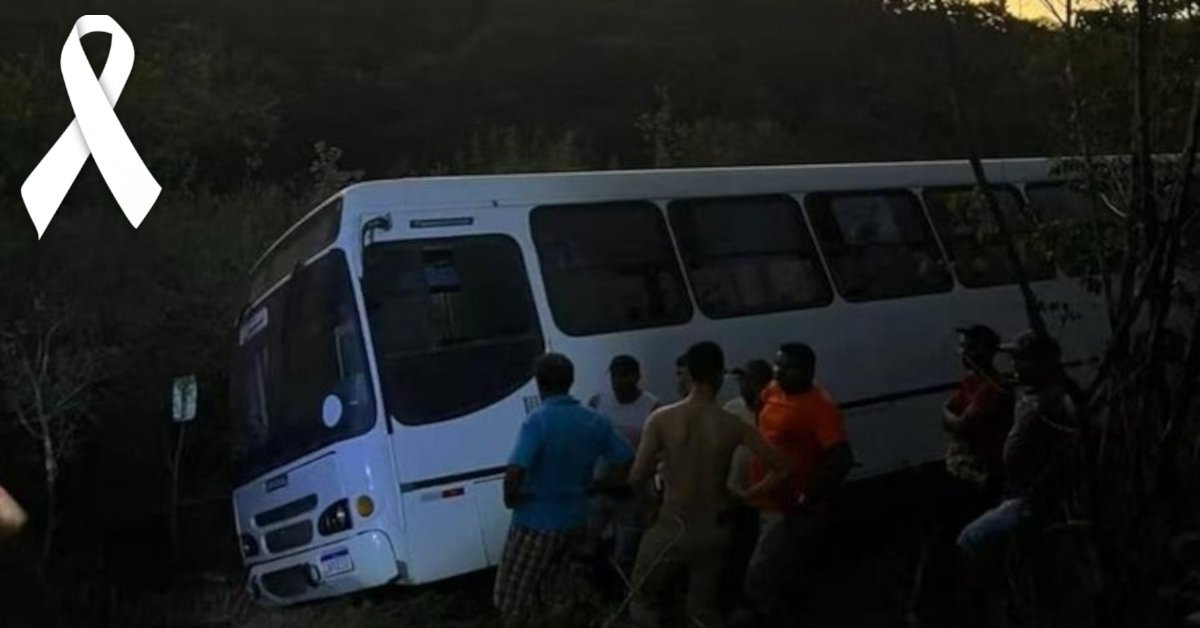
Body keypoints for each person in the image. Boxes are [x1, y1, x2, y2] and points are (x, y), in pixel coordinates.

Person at [627, 342, 789, 628]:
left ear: (688, 374)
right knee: (702, 609)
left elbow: (637, 476)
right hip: (713, 529)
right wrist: (745, 496)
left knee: (642, 600)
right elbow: (782, 468)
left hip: (670, 525)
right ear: (719, 376)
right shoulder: (732, 424)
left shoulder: (662, 419)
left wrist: (648, 506)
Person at [494, 353, 635, 627]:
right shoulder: (594, 420)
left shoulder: (538, 420)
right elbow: (625, 456)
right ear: (571, 381)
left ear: (538, 384)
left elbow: (515, 470)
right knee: (556, 592)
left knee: (513, 596)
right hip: (575, 521)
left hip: (535, 523)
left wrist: (512, 498)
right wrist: (600, 486)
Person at [742, 342, 854, 625]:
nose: (779, 371)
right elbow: (762, 415)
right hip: (764, 493)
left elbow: (840, 459)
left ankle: (762, 612)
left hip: (789, 502)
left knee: (765, 567)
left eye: (787, 367)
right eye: (777, 364)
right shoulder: (773, 390)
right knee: (782, 563)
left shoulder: (821, 407)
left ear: (808, 370)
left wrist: (807, 494)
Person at [957, 331, 1081, 558]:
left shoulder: (1057, 398)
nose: (1014, 364)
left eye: (1021, 359)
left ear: (1041, 363)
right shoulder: (1029, 392)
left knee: (970, 539)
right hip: (1017, 490)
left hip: (1035, 498)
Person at [587, 355, 661, 576]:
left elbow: (656, 453)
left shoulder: (652, 406)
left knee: (625, 549)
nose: (618, 382)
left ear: (636, 377)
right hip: (600, 485)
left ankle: (624, 589)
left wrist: (636, 478)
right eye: (615, 376)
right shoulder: (598, 402)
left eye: (624, 376)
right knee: (588, 539)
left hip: (631, 488)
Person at [942, 325, 1013, 520]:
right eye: (963, 348)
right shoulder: (971, 382)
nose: (964, 354)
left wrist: (949, 413)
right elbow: (948, 418)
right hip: (966, 469)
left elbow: (960, 424)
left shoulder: (993, 387)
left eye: (971, 348)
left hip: (986, 472)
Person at [721, 359, 774, 614]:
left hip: (767, 497)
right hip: (736, 495)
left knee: (764, 557)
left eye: (750, 380)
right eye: (742, 380)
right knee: (735, 551)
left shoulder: (775, 413)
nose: (744, 386)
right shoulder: (732, 410)